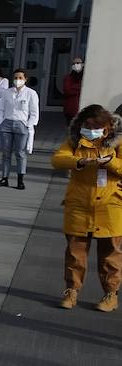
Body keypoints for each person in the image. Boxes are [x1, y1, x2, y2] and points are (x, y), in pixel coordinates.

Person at [53, 104, 122, 311]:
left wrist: (110, 162)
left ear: (107, 127)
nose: (90, 129)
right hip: (79, 205)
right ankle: (71, 291)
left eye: (95, 126)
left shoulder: (117, 144)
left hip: (110, 206)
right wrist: (80, 161)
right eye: (86, 125)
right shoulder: (74, 142)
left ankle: (111, 295)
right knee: (75, 253)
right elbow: (58, 160)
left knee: (110, 254)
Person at [0, 69, 40, 190]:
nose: (17, 80)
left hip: (21, 124)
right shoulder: (7, 92)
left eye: (20, 78)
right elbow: (1, 108)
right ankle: (4, 178)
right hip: (7, 123)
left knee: (20, 153)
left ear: (25, 79)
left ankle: (20, 180)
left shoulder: (31, 93)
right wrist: (1, 122)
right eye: (16, 78)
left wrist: (28, 125)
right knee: (6, 153)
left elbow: (34, 113)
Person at [62, 56, 84, 125]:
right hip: (71, 109)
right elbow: (67, 90)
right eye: (74, 63)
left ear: (82, 64)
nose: (76, 65)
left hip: (83, 108)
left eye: (78, 63)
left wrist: (75, 88)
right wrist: (79, 89)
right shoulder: (68, 77)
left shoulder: (85, 77)